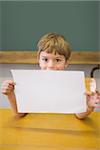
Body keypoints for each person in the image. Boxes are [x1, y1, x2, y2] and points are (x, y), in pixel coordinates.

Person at [1, 33, 100, 119]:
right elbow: (19, 113)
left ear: (66, 63)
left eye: (57, 60)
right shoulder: (30, 83)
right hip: (35, 131)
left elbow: (79, 115)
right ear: (38, 60)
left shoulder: (72, 85)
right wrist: (10, 94)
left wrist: (89, 106)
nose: (51, 65)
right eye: (45, 59)